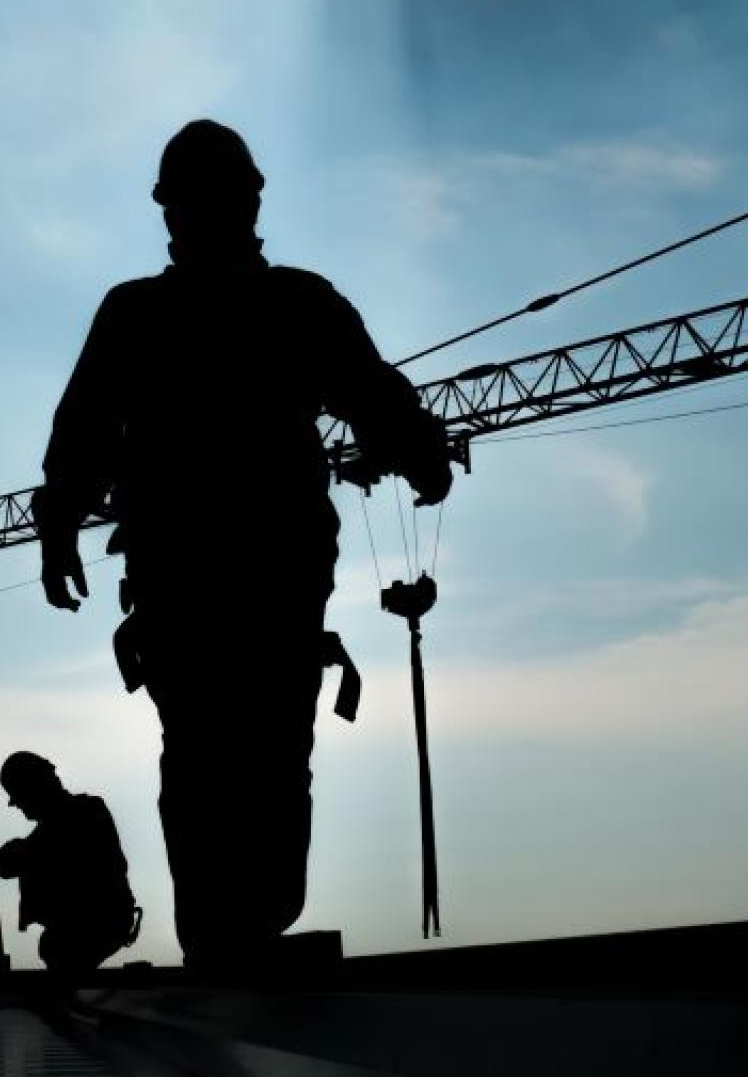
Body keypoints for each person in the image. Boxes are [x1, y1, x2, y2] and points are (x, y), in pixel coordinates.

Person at [32, 120, 455, 971]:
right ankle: (244, 925)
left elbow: (80, 439)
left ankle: (232, 929)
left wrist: (61, 530)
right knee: (255, 746)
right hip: (260, 564)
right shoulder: (292, 304)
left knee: (213, 752)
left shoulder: (146, 313)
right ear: (245, 200)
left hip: (202, 568)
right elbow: (374, 396)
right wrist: (422, 459)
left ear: (173, 210)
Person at [0, 751, 136, 975]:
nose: (20, 807)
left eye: (21, 798)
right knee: (53, 947)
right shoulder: (52, 827)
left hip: (97, 922)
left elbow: (38, 851)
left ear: (35, 788)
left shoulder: (84, 813)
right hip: (82, 926)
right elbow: (3, 865)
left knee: (55, 948)